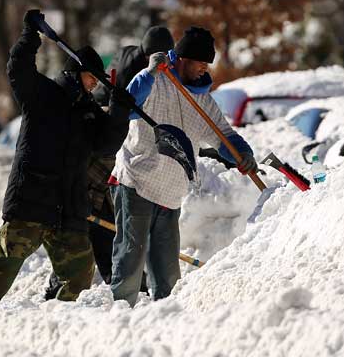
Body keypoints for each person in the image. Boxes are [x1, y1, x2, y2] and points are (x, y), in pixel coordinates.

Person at [0, 10, 134, 319]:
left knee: (80, 272)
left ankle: (55, 323)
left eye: (97, 80)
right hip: (32, 202)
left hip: (68, 208)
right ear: (74, 72)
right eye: (90, 77)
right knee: (1, 269)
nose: (94, 84)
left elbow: (107, 143)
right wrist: (30, 36)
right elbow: (18, 70)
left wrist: (119, 112)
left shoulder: (89, 113)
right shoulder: (43, 95)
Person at [109, 26, 257, 307]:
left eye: (206, 64)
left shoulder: (203, 100)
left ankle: (166, 318)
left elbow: (224, 135)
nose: (204, 69)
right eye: (200, 63)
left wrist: (242, 154)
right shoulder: (157, 81)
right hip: (137, 180)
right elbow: (128, 105)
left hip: (171, 191)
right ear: (183, 59)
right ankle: (120, 318)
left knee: (167, 270)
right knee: (130, 257)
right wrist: (149, 72)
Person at [45, 26, 174, 299]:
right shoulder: (135, 69)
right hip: (106, 144)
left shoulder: (142, 61)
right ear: (151, 52)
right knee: (84, 229)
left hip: (111, 145)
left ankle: (128, 287)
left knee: (105, 230)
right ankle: (58, 289)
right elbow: (117, 122)